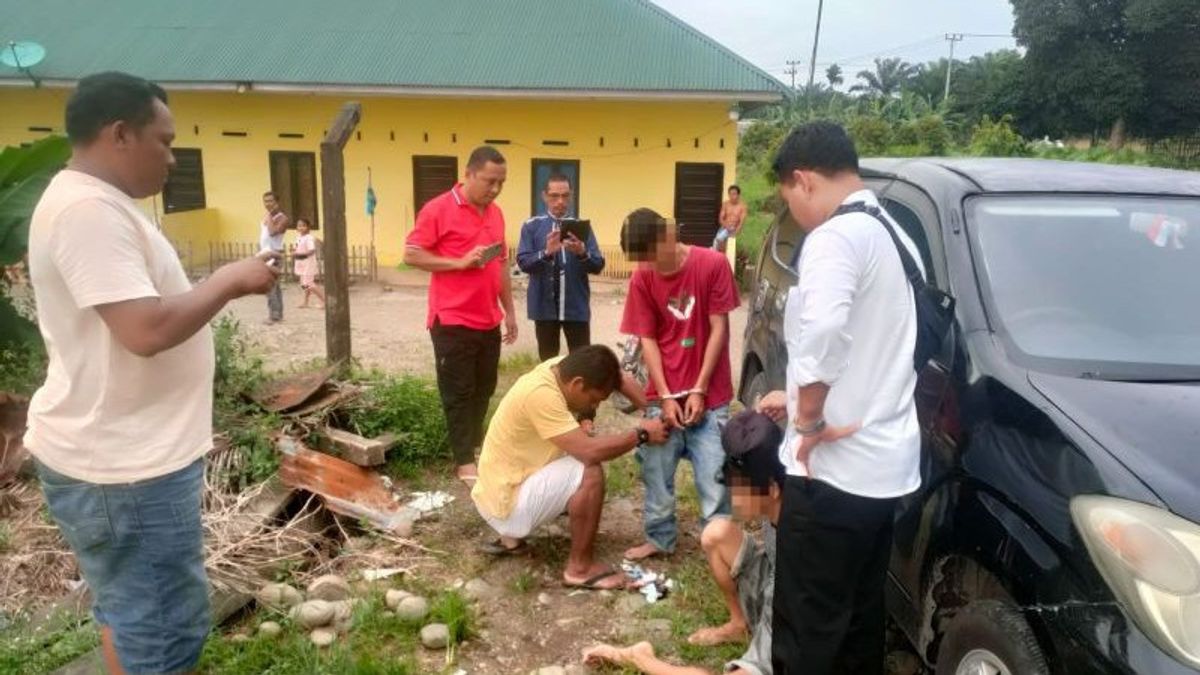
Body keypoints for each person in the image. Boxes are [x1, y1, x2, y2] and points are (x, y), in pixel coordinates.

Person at [24, 71, 278, 675]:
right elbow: (146, 331)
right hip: (125, 474)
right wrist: (229, 281)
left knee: (131, 615)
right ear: (119, 134)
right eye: (163, 141)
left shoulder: (96, 204)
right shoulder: (88, 210)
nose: (172, 156)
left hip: (119, 460)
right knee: (164, 631)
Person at [763, 121, 923, 674]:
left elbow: (827, 332)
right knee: (858, 621)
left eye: (789, 200)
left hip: (831, 475)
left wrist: (807, 419)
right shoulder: (892, 231)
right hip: (883, 469)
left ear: (803, 181)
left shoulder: (834, 237)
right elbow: (890, 342)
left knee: (808, 629)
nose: (794, 214)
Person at [581, 410, 784, 675]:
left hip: (791, 611)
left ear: (772, 488)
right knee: (717, 533)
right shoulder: (786, 491)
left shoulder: (801, 554)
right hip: (773, 583)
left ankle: (639, 657)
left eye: (740, 490)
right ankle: (739, 624)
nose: (734, 499)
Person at [471, 345, 666, 589]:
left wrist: (653, 410)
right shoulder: (541, 395)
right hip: (505, 506)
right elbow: (589, 450)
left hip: (495, 492)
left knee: (572, 450)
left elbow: (619, 376)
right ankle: (579, 570)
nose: (594, 406)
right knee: (588, 469)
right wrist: (641, 434)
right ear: (577, 384)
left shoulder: (561, 367)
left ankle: (510, 539)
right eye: (594, 399)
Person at [618, 208, 741, 561]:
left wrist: (700, 388)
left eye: (652, 255)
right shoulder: (642, 277)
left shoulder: (712, 264)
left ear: (667, 237)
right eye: (643, 260)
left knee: (714, 474)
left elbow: (719, 329)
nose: (649, 265)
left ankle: (718, 543)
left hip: (712, 393)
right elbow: (648, 339)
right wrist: (668, 396)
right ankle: (659, 538)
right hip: (663, 393)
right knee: (656, 471)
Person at [404, 145, 519, 485]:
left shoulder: (496, 213)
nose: (495, 189)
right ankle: (463, 460)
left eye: (501, 182)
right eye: (489, 181)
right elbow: (411, 254)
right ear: (468, 175)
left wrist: (509, 311)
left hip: (488, 318)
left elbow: (499, 265)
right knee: (458, 391)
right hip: (452, 318)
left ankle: (475, 445)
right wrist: (458, 262)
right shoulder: (438, 209)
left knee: (485, 388)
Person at [516, 173, 606, 361]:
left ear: (571, 196)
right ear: (544, 196)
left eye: (565, 196)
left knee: (582, 361)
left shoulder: (582, 227)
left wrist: (582, 252)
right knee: (548, 362)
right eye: (554, 196)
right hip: (544, 307)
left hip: (576, 306)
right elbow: (523, 263)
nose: (560, 201)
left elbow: (598, 264)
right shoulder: (531, 226)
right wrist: (546, 253)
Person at [260, 190, 290, 324]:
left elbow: (272, 232)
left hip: (274, 255)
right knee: (274, 286)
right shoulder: (268, 217)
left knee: (270, 285)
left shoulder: (282, 218)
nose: (268, 204)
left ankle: (274, 315)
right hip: (265, 254)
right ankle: (277, 313)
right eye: (266, 201)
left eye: (271, 201)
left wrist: (269, 216)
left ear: (277, 202)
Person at [292, 217, 325, 309]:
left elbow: (311, 251)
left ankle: (324, 300)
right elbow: (297, 247)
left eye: (303, 226)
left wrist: (298, 253)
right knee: (303, 283)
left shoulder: (309, 238)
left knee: (309, 284)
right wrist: (294, 251)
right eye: (299, 226)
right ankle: (306, 302)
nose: (301, 228)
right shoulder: (298, 237)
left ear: (308, 227)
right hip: (300, 263)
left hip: (308, 263)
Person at [712, 185, 747, 253]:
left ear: (738, 195)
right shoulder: (725, 204)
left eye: (734, 194)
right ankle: (715, 256)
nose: (732, 196)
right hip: (725, 228)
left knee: (718, 241)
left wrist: (735, 233)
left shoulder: (742, 207)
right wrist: (726, 226)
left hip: (734, 228)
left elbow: (741, 222)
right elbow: (721, 218)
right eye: (730, 194)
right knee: (718, 242)